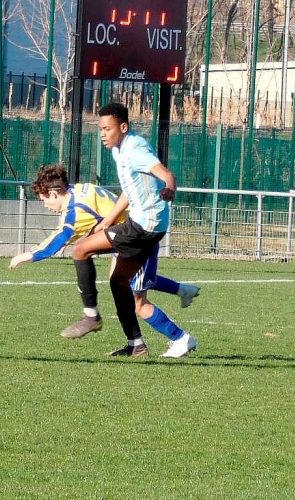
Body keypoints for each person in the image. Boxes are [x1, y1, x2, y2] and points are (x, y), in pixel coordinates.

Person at [9, 164, 200, 349]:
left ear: (53, 193)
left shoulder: (75, 209)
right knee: (119, 284)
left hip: (137, 241)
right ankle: (137, 343)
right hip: (127, 239)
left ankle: (180, 338)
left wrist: (28, 255)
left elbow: (60, 237)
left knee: (138, 303)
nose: (45, 205)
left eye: (44, 199)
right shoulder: (82, 189)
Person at [70, 102, 198, 358]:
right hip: (146, 225)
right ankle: (136, 345)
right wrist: (108, 220)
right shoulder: (120, 150)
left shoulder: (134, 150)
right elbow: (130, 191)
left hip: (143, 226)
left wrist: (169, 188)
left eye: (107, 129)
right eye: (100, 129)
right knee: (119, 283)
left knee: (81, 250)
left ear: (123, 127)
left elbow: (166, 174)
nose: (102, 134)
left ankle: (91, 317)